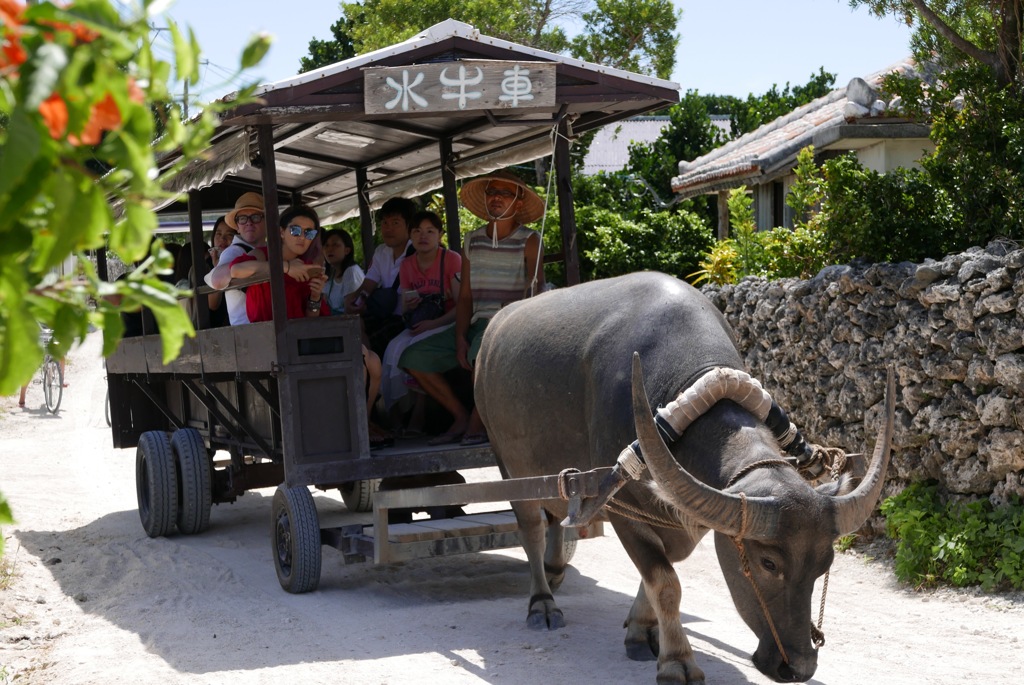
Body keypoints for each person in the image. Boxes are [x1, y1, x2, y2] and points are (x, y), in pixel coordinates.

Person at [400, 170, 545, 446]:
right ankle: (461, 417)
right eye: (492, 192)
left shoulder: (530, 240)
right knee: (413, 357)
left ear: (518, 203)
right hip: (475, 322)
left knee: (482, 355)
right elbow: (465, 297)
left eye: (506, 193)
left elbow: (536, 292)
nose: (497, 198)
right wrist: (458, 339)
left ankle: (477, 424)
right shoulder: (472, 240)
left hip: (505, 326)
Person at [380, 210, 462, 414]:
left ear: (440, 235)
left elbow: (462, 306)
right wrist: (413, 304)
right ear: (410, 235)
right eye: (417, 231)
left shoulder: (452, 259)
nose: (423, 236)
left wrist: (433, 324)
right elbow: (406, 307)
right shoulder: (407, 265)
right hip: (420, 321)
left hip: (447, 321)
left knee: (414, 347)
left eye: (429, 231)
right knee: (393, 348)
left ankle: (418, 414)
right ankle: (394, 412)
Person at [343, 196, 416, 358]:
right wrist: (355, 302)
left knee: (374, 341)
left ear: (409, 226)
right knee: (351, 326)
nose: (388, 228)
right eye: (384, 223)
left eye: (395, 223)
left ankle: (370, 372)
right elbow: (367, 286)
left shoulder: (418, 253)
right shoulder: (381, 252)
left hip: (406, 320)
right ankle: (368, 371)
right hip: (384, 315)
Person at [228, 205, 329, 321]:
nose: (302, 237)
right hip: (264, 335)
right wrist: (286, 267)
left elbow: (311, 321)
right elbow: (235, 270)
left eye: (309, 233)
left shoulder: (307, 266)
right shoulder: (263, 255)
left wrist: (315, 297)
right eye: (295, 230)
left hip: (297, 335)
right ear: (281, 232)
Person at [207, 192, 268, 325]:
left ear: (267, 222)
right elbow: (217, 281)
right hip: (247, 334)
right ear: (238, 227)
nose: (249, 223)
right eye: (242, 218)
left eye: (256, 217)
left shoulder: (273, 249)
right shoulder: (234, 251)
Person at [322, 228, 364, 315]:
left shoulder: (351, 272)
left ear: (347, 250)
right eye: (326, 245)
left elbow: (350, 311)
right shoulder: (329, 274)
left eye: (335, 245)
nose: (330, 249)